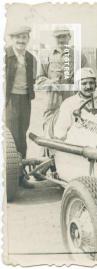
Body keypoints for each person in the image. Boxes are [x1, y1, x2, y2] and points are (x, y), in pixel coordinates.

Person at [36, 25, 88, 134]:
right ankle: (46, 151)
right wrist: (50, 82)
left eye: (64, 36)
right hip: (53, 101)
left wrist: (78, 81)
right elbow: (39, 79)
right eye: (58, 37)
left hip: (73, 100)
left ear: (69, 37)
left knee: (73, 129)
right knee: (49, 129)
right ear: (54, 39)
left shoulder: (79, 56)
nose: (61, 40)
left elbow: (87, 77)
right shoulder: (46, 55)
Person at [5, 25, 36, 189]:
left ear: (28, 39)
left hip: (25, 100)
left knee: (22, 138)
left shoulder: (30, 58)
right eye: (18, 37)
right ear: (12, 39)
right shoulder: (5, 55)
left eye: (24, 37)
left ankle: (20, 176)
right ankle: (7, 176)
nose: (21, 40)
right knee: (10, 137)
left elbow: (33, 80)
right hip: (9, 100)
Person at [53, 67, 97, 140]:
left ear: (95, 85)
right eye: (84, 83)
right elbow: (60, 131)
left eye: (91, 83)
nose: (88, 86)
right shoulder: (69, 103)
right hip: (78, 144)